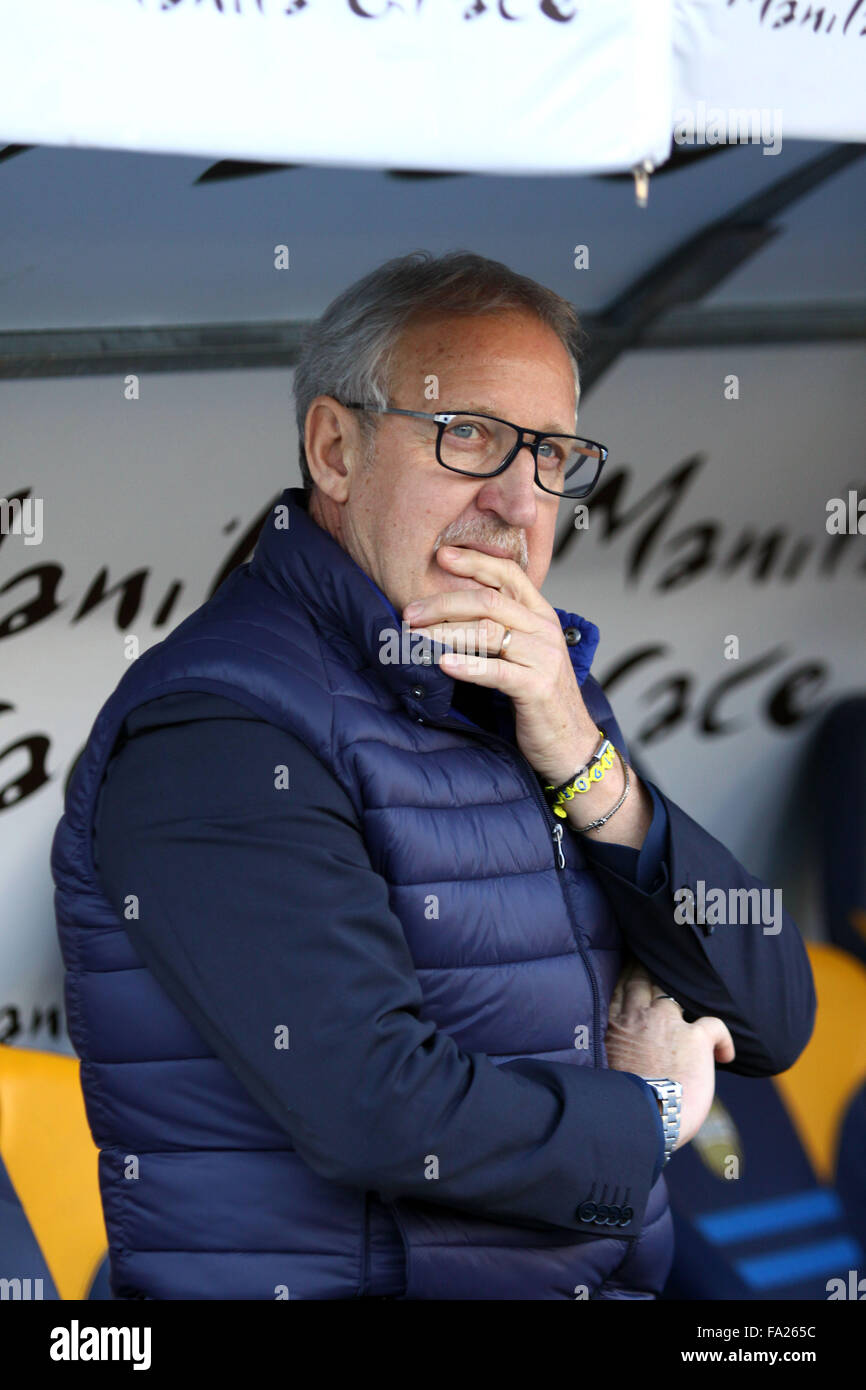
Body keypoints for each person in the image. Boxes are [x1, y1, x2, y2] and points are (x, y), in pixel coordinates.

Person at [51, 250, 816, 1300]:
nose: (515, 500)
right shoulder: (219, 725)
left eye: (551, 453)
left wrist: (586, 766)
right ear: (334, 448)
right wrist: (652, 1114)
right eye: (468, 436)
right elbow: (374, 1107)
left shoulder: (529, 683)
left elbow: (771, 1018)